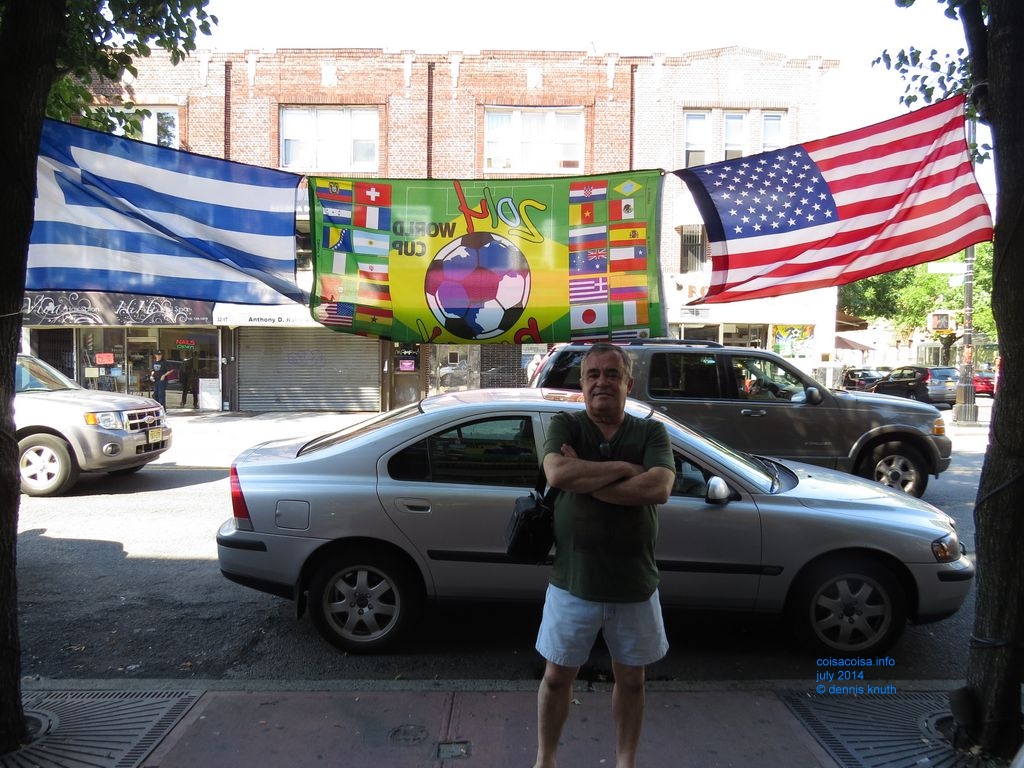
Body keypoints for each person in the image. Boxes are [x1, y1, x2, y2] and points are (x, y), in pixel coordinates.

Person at [533, 342, 675, 768]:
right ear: (581, 384)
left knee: (632, 680)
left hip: (634, 582)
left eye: (612, 374)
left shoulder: (651, 432)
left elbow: (659, 488)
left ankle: (625, 762)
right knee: (557, 678)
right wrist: (627, 469)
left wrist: (587, 476)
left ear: (628, 383)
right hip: (573, 580)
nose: (601, 382)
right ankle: (546, 759)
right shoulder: (566, 425)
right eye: (593, 374)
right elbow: (558, 473)